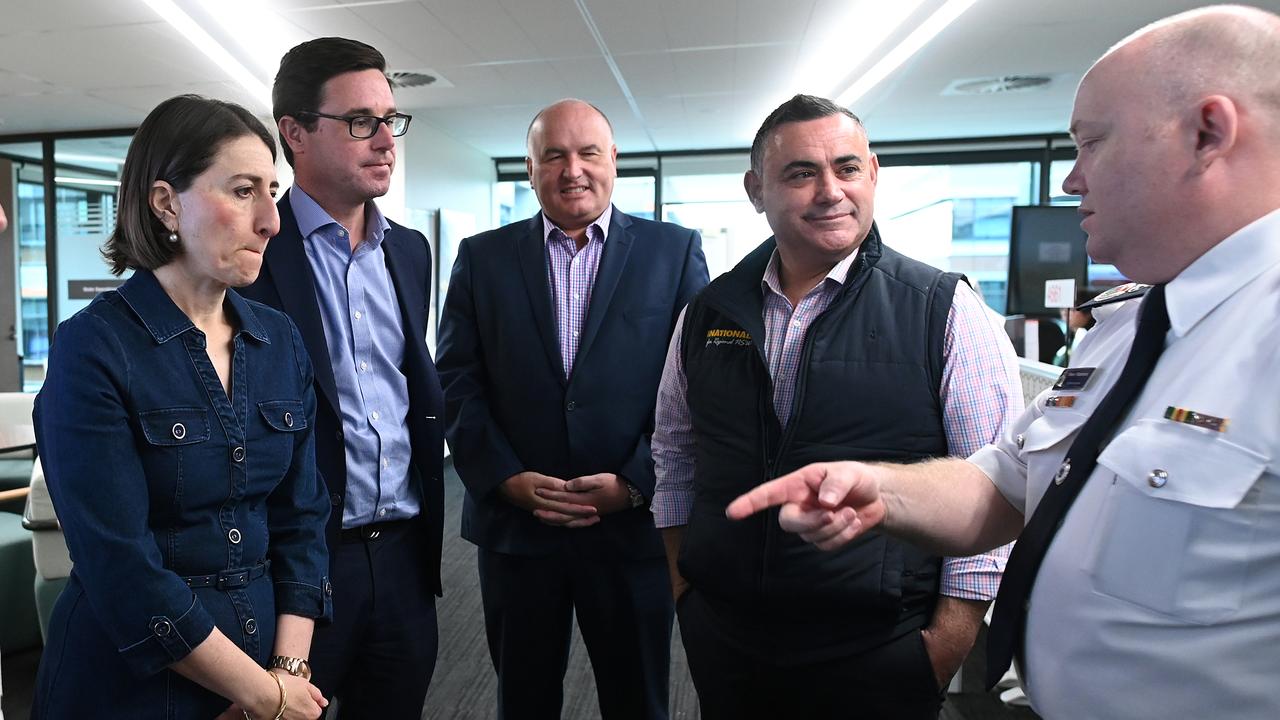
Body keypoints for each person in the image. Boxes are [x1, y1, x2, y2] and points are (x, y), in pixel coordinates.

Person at [726, 6, 1280, 719]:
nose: (1072, 179)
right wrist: (873, 487)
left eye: (1091, 143)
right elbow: (1010, 482)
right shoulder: (1132, 325)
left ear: (1208, 133)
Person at [652, 94, 1020, 720]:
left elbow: (994, 485)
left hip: (880, 648)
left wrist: (943, 646)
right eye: (800, 173)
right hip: (728, 640)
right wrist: (686, 593)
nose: (830, 191)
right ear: (755, 189)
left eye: (847, 168)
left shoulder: (943, 310)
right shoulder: (707, 313)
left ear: (873, 174)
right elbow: (676, 456)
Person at [31, 94, 330, 719]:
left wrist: (286, 671)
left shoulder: (279, 339)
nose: (271, 220)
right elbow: (119, 563)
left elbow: (302, 519)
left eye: (272, 191)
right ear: (167, 202)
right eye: (244, 190)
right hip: (135, 689)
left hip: (269, 669)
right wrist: (263, 698)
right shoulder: (93, 345)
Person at [437, 99, 709, 719]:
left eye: (588, 152)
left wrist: (636, 482)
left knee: (638, 698)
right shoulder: (483, 258)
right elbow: (455, 378)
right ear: (530, 169)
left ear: (614, 161)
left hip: (632, 528)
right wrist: (503, 478)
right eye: (553, 155)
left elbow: (697, 386)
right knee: (524, 698)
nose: (572, 169)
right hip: (517, 530)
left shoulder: (673, 253)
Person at [240, 37, 444, 718]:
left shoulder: (409, 252)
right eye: (361, 121)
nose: (386, 139)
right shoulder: (255, 256)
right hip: (296, 566)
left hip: (406, 555)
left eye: (391, 119)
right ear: (294, 133)